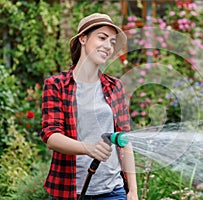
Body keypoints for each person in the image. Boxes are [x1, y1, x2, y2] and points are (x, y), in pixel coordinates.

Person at [40, 13, 138, 200]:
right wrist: (88, 148)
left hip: (113, 191)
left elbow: (125, 140)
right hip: (69, 190)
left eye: (112, 41)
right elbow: (51, 136)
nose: (108, 46)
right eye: (102, 38)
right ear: (83, 39)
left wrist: (132, 191)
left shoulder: (115, 86)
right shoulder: (57, 85)